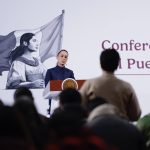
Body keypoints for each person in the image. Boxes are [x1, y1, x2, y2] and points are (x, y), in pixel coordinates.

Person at [80, 48, 141, 121]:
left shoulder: (89, 84)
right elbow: (135, 115)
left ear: (100, 63)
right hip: (121, 128)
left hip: (95, 128)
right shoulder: (127, 86)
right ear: (118, 64)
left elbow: (80, 109)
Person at [44, 49, 75, 115]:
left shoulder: (70, 72)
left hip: (68, 103)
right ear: (57, 57)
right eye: (62, 56)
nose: (63, 58)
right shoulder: (50, 71)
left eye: (66, 57)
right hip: (54, 102)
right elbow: (47, 87)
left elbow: (74, 87)